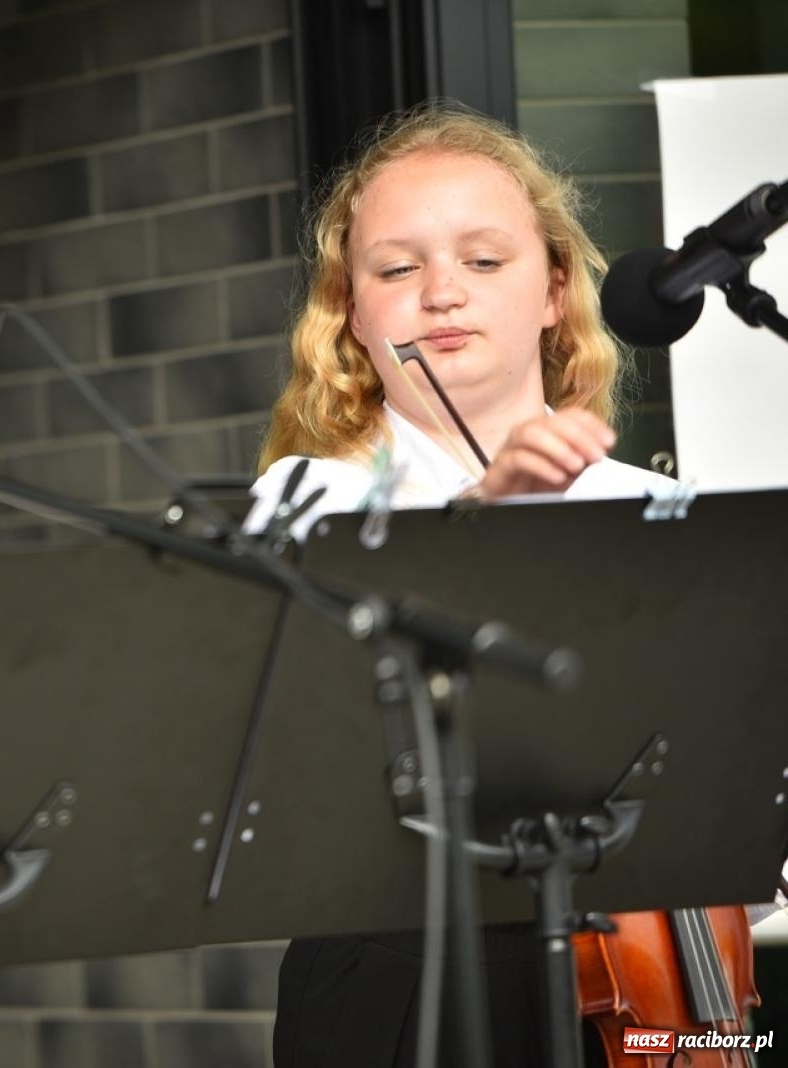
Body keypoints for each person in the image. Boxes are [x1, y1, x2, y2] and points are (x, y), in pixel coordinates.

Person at [243, 103, 676, 1067]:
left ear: (556, 289)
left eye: (484, 261)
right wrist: (487, 508)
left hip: (647, 974)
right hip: (406, 974)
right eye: (398, 269)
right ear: (352, 312)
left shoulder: (656, 502)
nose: (443, 293)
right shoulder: (308, 492)